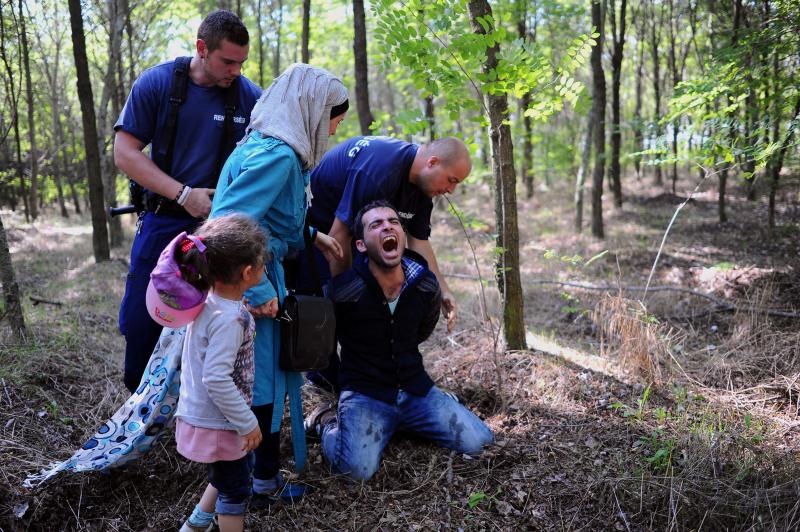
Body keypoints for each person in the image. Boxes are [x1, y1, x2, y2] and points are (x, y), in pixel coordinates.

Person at [210, 63, 348, 506]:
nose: (335, 127)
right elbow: (228, 223)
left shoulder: (257, 145)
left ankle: (255, 479)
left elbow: (270, 216)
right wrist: (257, 290)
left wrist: (313, 235)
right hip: (252, 281)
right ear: (309, 109)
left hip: (251, 276)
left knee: (258, 382)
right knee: (260, 385)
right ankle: (255, 486)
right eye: (333, 116)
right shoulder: (279, 155)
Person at [114, 10, 262, 393]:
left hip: (222, 232)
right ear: (201, 48)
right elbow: (125, 153)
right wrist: (183, 194)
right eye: (228, 61)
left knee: (219, 322)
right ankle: (140, 402)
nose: (236, 70)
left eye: (241, 62)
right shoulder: (159, 84)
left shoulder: (251, 98)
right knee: (142, 320)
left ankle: (198, 409)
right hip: (165, 219)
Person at [305, 200, 493, 481]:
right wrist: (341, 388)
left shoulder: (425, 283)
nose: (387, 227)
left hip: (416, 391)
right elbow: (326, 349)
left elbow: (422, 330)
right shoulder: (343, 291)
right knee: (355, 471)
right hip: (365, 395)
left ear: (403, 236)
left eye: (393, 222)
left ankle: (411, 417)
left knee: (480, 442)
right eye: (376, 224)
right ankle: (326, 421)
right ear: (360, 245)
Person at [302, 135, 472, 391]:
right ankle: (327, 388)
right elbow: (339, 236)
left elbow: (418, 242)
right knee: (323, 310)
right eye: (451, 180)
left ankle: (368, 378)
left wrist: (443, 288)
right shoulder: (379, 170)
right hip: (316, 232)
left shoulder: (422, 191)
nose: (451, 190)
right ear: (433, 162)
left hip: (353, 236)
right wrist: (347, 297)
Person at [149, 214, 265, 532]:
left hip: (202, 417)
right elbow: (215, 377)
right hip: (221, 423)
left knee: (229, 471)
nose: (264, 268)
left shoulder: (208, 303)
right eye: (262, 263)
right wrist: (247, 421)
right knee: (235, 489)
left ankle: (197, 523)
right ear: (246, 272)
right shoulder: (231, 319)